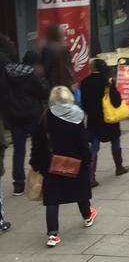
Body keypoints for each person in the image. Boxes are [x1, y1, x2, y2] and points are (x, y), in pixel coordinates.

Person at [30, 86, 95, 247]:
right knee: (80, 191)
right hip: (75, 161)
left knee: (52, 199)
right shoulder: (77, 116)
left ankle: (53, 234)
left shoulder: (45, 116)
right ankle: (87, 216)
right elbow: (82, 142)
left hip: (51, 162)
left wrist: (35, 162)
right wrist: (87, 159)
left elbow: (37, 142)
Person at [2, 49, 49, 195]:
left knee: (18, 150)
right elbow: (43, 93)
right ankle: (41, 176)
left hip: (14, 117)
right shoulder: (32, 75)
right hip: (32, 115)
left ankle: (18, 184)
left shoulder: (7, 73)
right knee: (38, 146)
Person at [78, 58, 129, 188]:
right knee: (115, 141)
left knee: (94, 147)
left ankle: (91, 177)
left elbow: (83, 103)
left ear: (92, 68)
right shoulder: (108, 81)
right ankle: (119, 167)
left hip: (94, 120)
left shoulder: (84, 82)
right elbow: (116, 102)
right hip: (109, 118)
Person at [40, 25, 75, 90]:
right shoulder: (65, 46)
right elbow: (69, 65)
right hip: (66, 82)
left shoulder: (47, 48)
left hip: (53, 82)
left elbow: (46, 67)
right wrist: (72, 80)